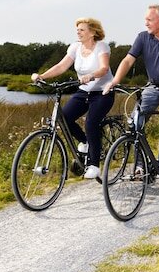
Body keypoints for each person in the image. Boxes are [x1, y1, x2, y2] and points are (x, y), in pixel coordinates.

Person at [104, 4, 159, 166]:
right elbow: (128, 60)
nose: (146, 23)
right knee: (136, 123)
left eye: (150, 19)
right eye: (145, 20)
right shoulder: (142, 37)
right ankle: (141, 166)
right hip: (152, 87)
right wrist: (115, 80)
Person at [32, 17, 114, 180]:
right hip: (83, 91)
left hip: (102, 92)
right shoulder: (75, 47)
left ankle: (94, 165)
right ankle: (85, 141)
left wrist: (91, 75)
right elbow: (61, 66)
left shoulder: (101, 47)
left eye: (82, 29)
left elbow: (104, 68)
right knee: (65, 119)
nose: (78, 32)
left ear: (92, 32)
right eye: (77, 29)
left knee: (91, 122)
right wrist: (42, 76)